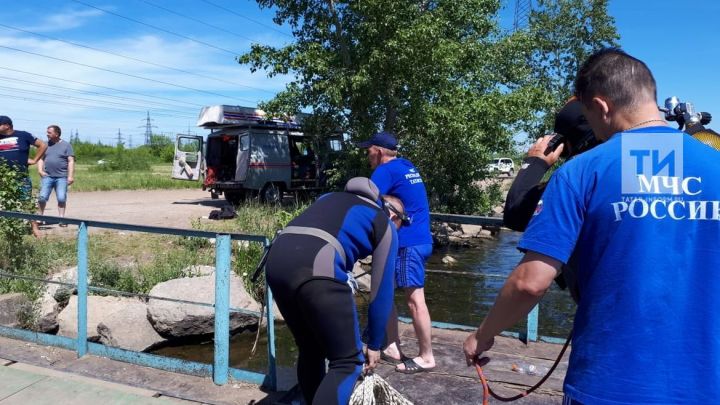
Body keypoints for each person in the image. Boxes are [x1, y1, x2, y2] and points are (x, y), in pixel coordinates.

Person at [463, 47, 720, 403]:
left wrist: (483, 334)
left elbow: (529, 283)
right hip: (705, 384)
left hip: (609, 382)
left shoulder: (581, 172)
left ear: (600, 106)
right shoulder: (714, 164)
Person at [265, 177, 402, 405]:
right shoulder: (383, 222)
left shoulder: (327, 198)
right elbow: (381, 291)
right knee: (348, 362)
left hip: (276, 261)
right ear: (392, 213)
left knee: (310, 348)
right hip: (319, 266)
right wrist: (376, 343)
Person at [503, 99, 598, 302]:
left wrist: (535, 162)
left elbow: (515, 213)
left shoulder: (575, 177)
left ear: (563, 143)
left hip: (604, 320)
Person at [357, 131, 435, 374]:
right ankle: (391, 345)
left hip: (407, 243)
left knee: (414, 299)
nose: (366, 154)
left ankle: (427, 356)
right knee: (384, 292)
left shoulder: (384, 171)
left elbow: (363, 201)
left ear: (378, 151)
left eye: (368, 150)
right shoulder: (406, 166)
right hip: (419, 238)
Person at [0, 115, 47, 237]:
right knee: (4, 203)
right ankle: (7, 229)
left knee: (26, 202)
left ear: (7, 125)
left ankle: (35, 228)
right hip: (3, 177)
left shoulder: (23, 135)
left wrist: (35, 160)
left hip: (21, 176)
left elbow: (42, 145)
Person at [37, 125, 75, 224]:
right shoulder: (45, 145)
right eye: (47, 132)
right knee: (42, 198)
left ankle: (61, 219)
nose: (47, 134)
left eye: (49, 132)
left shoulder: (66, 145)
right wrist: (40, 171)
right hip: (47, 176)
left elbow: (71, 161)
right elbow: (40, 159)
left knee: (61, 198)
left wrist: (70, 176)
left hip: (62, 177)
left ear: (56, 134)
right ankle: (40, 218)